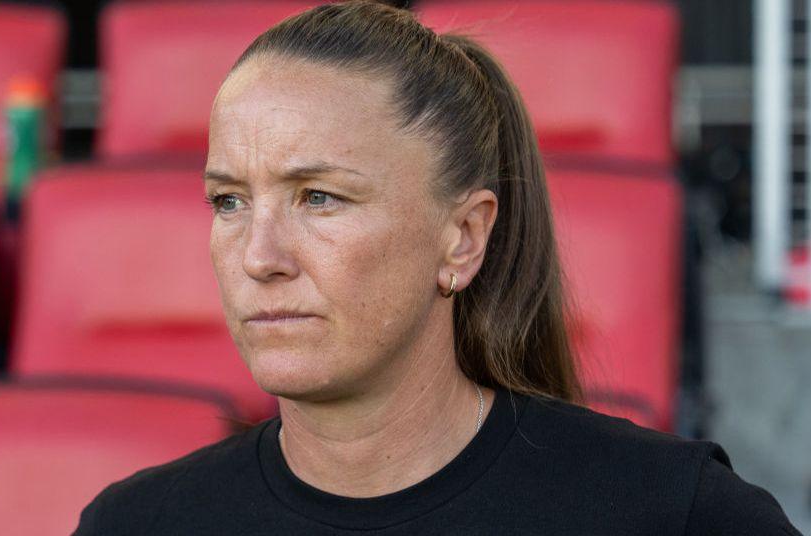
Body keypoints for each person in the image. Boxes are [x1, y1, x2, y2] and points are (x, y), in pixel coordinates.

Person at [73, 1, 800, 534]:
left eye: (319, 197)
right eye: (228, 201)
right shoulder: (136, 524)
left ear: (461, 238)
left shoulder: (672, 514)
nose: (259, 257)